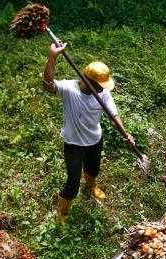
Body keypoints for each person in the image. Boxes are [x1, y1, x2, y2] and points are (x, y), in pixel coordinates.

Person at [42, 42, 136, 225]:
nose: (104, 89)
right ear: (87, 81)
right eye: (100, 85)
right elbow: (47, 85)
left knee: (93, 169)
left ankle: (92, 186)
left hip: (94, 140)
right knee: (73, 181)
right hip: (74, 144)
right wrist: (52, 56)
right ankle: (63, 210)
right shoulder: (69, 90)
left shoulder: (103, 93)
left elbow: (113, 116)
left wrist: (126, 134)